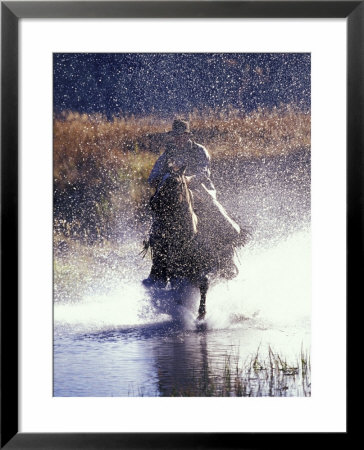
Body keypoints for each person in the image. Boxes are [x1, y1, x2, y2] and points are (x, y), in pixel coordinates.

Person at [143, 119, 243, 286]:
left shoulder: (199, 150)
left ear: (187, 135)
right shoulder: (167, 153)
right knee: (159, 221)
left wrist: (189, 179)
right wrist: (167, 179)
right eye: (175, 136)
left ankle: (227, 259)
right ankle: (158, 270)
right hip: (175, 192)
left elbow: (204, 172)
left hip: (200, 190)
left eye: (181, 135)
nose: (177, 139)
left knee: (214, 211)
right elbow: (152, 177)